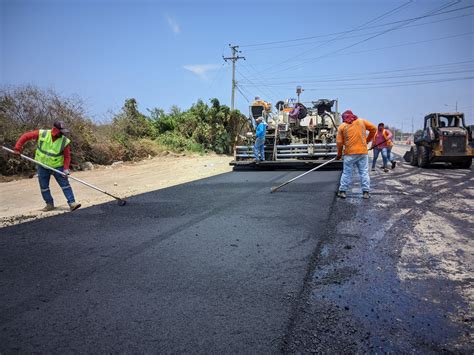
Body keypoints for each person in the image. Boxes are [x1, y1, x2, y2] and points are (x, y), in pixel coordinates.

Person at [14, 121, 81, 212]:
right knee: (44, 186)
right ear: (55, 130)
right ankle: (49, 204)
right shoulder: (42, 134)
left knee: (65, 185)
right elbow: (25, 136)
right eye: (60, 132)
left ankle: (72, 203)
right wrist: (17, 148)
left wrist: (65, 169)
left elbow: (67, 156)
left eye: (63, 132)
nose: (62, 134)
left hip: (57, 167)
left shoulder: (64, 141)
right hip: (42, 166)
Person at [336, 110, 377, 199]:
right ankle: (366, 192)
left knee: (347, 173)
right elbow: (374, 128)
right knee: (364, 172)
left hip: (349, 153)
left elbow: (339, 142)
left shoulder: (342, 126)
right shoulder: (361, 121)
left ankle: (342, 191)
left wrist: (339, 154)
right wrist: (367, 140)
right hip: (362, 152)